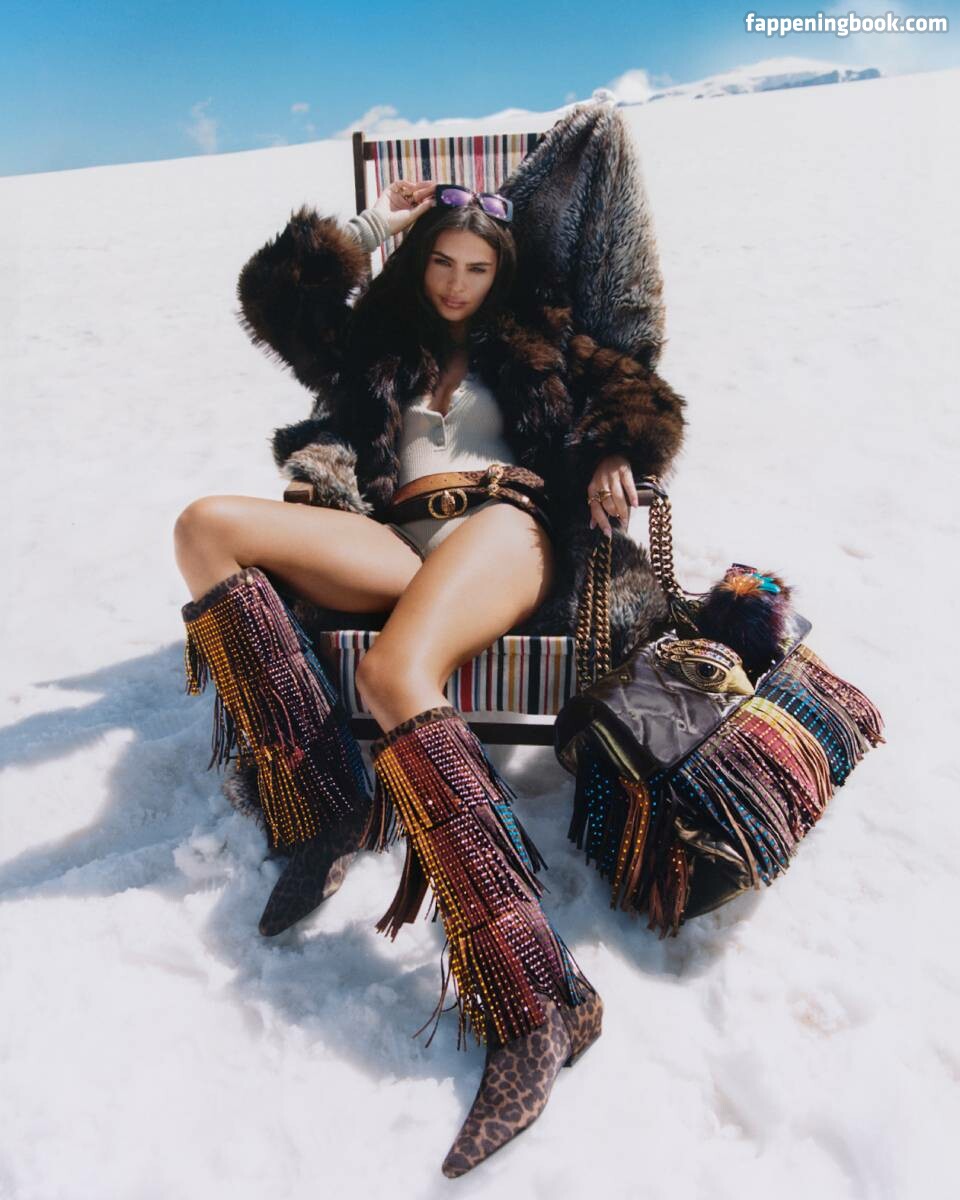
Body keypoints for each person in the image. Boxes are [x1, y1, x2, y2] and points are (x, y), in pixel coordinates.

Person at [174, 145, 684, 1175]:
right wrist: (373, 226)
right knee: (204, 528)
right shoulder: (377, 341)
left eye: (477, 268)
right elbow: (276, 295)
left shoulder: (541, 340)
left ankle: (538, 998)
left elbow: (644, 400)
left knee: (392, 676)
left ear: (503, 275)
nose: (456, 284)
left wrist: (616, 450)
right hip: (396, 541)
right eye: (442, 262)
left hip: (503, 531)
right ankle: (328, 803)